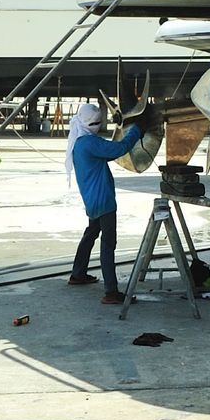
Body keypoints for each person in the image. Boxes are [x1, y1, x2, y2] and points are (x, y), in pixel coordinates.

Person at [67, 103, 145, 304]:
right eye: (94, 123)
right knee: (108, 243)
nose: (96, 126)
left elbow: (105, 153)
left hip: (92, 200)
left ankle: (78, 274)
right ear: (86, 123)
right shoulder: (90, 143)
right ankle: (111, 291)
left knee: (91, 233)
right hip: (103, 201)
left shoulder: (79, 141)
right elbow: (119, 148)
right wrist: (136, 129)